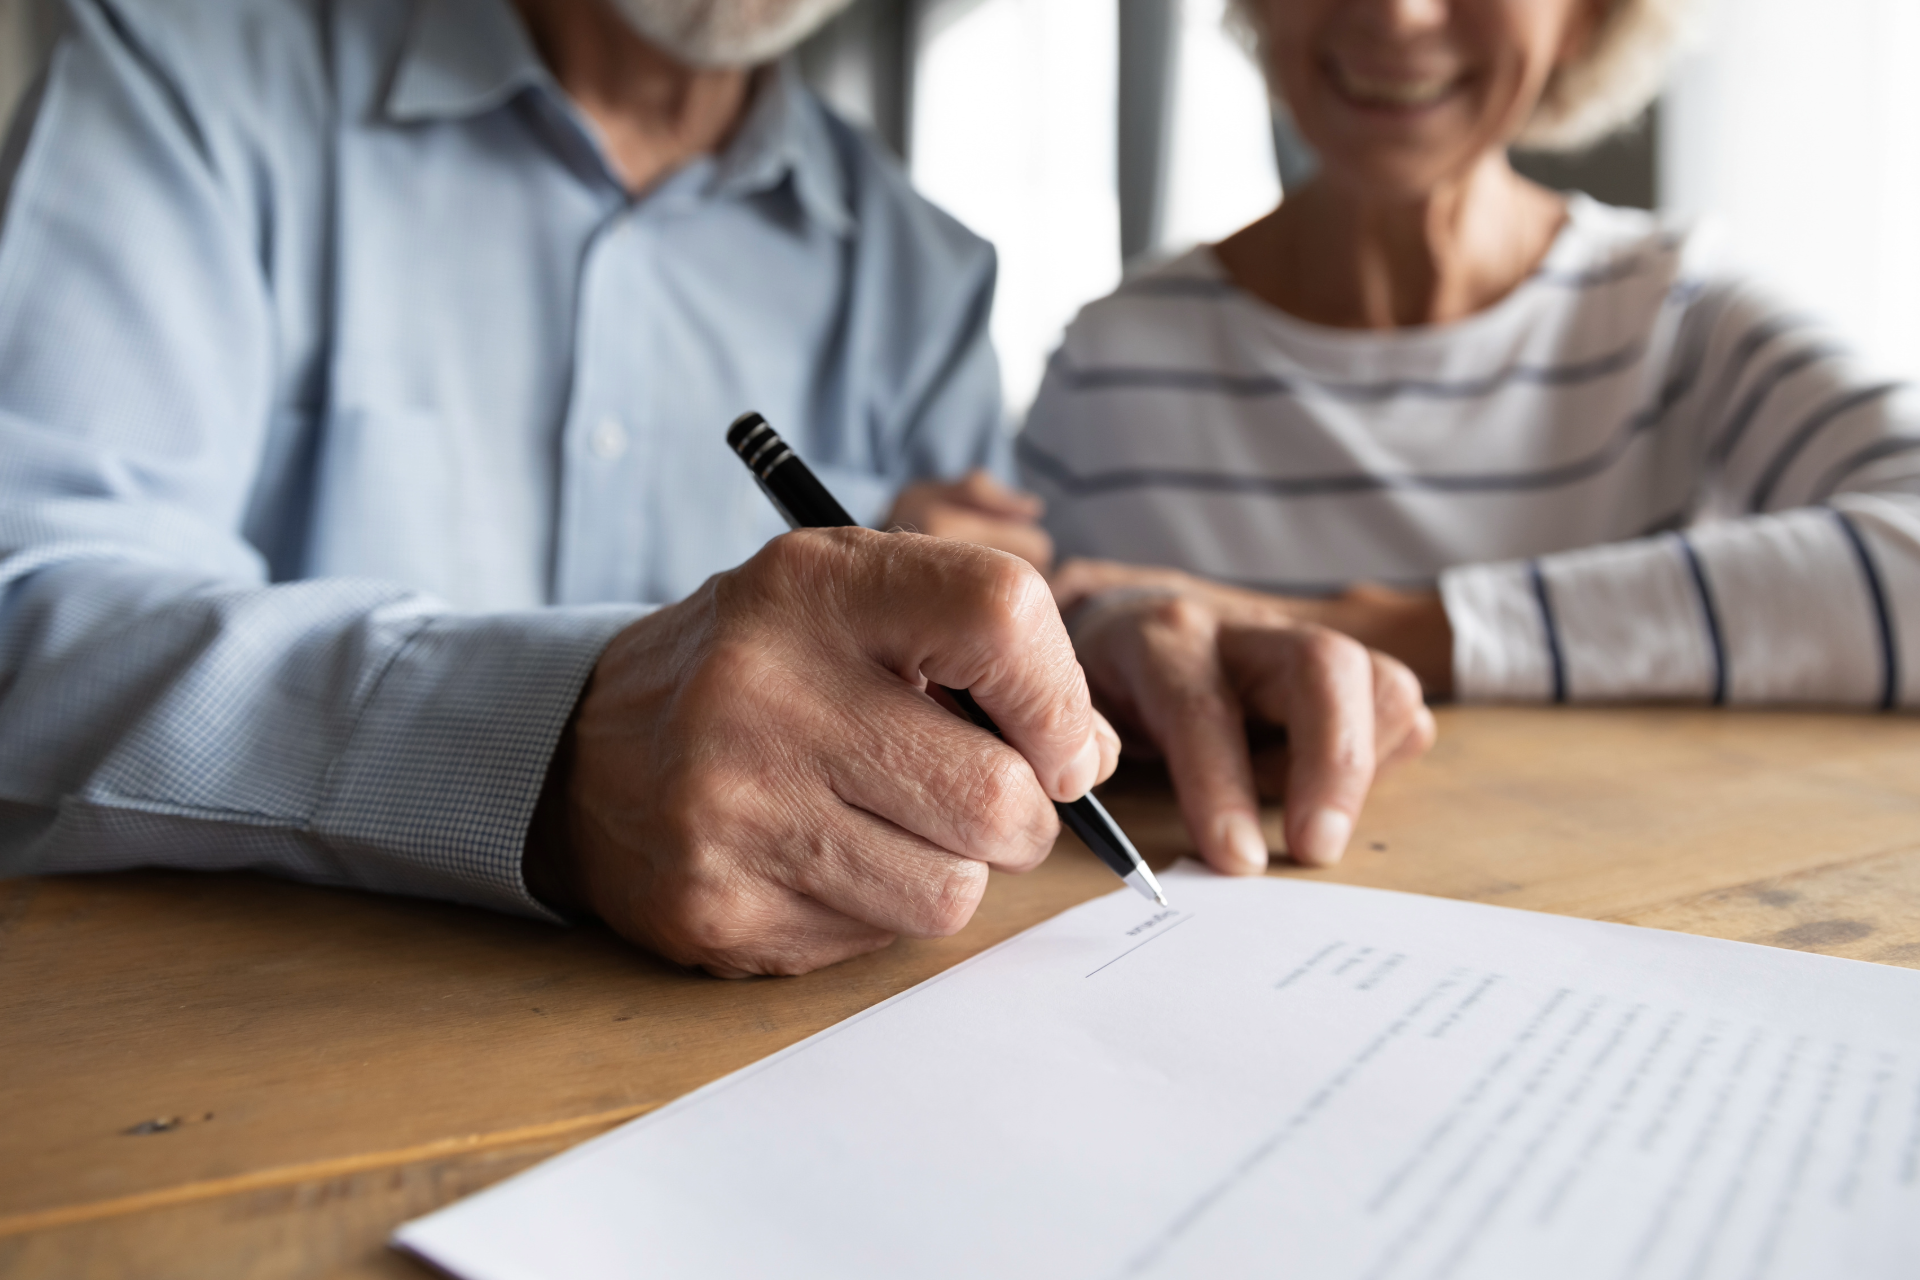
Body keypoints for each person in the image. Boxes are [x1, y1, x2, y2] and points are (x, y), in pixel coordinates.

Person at [0, 0, 1430, 978]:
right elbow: (31, 621)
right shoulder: (178, 74)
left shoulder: (921, 274)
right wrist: (550, 749)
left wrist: (1093, 658)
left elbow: (927, 641)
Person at [1023, 0, 1920, 875]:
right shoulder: (1108, 359)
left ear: (1589, 18)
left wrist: (1386, 629)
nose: (1400, 14)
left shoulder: (1680, 313)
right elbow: (1040, 678)